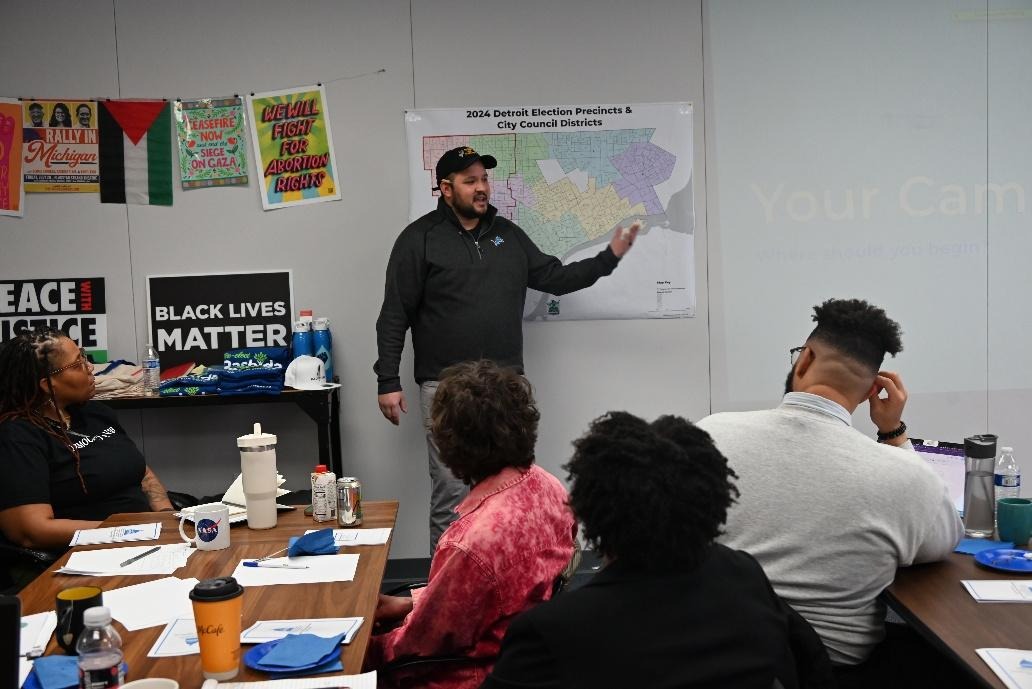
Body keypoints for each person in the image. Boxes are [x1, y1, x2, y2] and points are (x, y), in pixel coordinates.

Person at [375, 145, 639, 549]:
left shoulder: (508, 236)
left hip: (505, 385)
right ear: (446, 189)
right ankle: (444, 593)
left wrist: (609, 257)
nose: (482, 188)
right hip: (444, 387)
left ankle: (511, 577)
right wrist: (388, 380)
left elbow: (558, 277)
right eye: (470, 181)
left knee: (514, 487)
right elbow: (395, 313)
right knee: (451, 492)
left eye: (484, 179)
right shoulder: (419, 240)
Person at [696, 298, 963, 685]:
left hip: (709, 661)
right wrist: (894, 433)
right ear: (873, 389)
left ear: (803, 360)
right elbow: (942, 541)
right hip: (826, 673)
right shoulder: (905, 476)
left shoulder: (709, 434)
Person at [481, 411, 834, 689]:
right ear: (709, 498)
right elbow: (811, 663)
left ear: (593, 509)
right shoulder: (743, 573)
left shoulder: (551, 631)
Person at [366, 360, 575, 689]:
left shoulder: (470, 542)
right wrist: (410, 603)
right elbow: (495, 597)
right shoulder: (549, 488)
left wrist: (356, 649)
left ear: (450, 445)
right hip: (527, 662)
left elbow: (423, 643)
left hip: (468, 676)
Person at [0, 327, 174, 551]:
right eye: (78, 364)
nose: (90, 367)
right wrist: (128, 531)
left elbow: (141, 471)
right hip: (87, 552)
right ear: (48, 385)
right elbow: (31, 531)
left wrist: (165, 514)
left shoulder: (94, 412)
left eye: (84, 357)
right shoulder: (17, 436)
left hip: (147, 537)